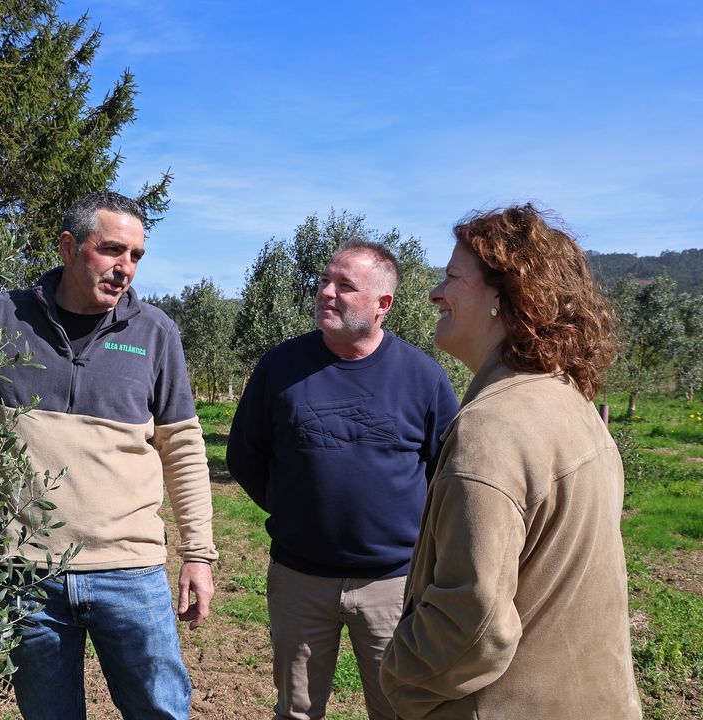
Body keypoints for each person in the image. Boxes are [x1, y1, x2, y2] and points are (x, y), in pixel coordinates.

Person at [0, 191, 217, 719]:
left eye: (135, 255)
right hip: (28, 573)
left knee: (160, 711)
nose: (125, 268)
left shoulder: (155, 332)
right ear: (68, 246)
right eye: (112, 250)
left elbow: (182, 446)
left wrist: (198, 553)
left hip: (130, 570)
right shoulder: (2, 316)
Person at [380, 205, 640, 719]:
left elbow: (472, 625)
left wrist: (398, 676)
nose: (435, 293)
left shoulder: (492, 430)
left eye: (452, 277)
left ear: (505, 295)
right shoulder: (572, 403)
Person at [227, 240, 460, 720]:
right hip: (299, 580)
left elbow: (449, 475)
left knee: (400, 710)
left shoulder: (423, 377)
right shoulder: (281, 366)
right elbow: (245, 455)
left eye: (344, 285)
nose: (326, 293)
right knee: (295, 711)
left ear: (382, 305)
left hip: (393, 585)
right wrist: (293, 510)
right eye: (324, 281)